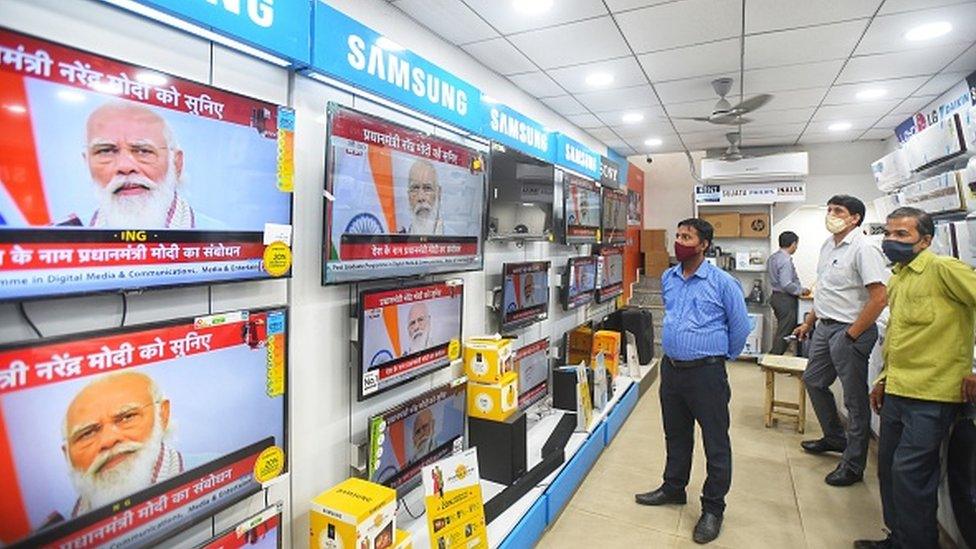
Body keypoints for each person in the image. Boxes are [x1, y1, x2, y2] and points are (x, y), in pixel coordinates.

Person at [854, 208, 976, 549]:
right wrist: (883, 379)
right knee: (889, 472)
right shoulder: (900, 276)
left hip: (933, 395)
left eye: (901, 235)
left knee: (912, 476)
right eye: (889, 234)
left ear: (925, 240)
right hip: (897, 389)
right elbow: (898, 336)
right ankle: (899, 539)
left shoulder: (943, 269)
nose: (891, 240)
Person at [634, 218, 750, 545]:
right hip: (671, 370)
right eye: (678, 235)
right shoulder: (669, 277)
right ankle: (673, 488)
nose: (680, 241)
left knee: (715, 441)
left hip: (706, 373)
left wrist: (717, 358)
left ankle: (713, 508)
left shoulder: (722, 282)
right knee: (676, 434)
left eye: (687, 237)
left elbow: (740, 327)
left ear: (703, 245)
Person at [793, 195, 889, 487]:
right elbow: (824, 289)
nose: (831, 214)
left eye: (838, 211)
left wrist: (852, 334)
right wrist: (809, 322)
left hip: (850, 329)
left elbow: (879, 297)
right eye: (830, 209)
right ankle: (835, 437)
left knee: (854, 399)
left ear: (855, 218)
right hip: (825, 325)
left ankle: (853, 464)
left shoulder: (864, 248)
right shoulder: (828, 246)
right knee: (813, 380)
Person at [61, 372, 184, 516]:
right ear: (67, 455)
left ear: (163, 415)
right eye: (87, 434)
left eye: (127, 417)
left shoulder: (210, 472)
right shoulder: (63, 529)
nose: (108, 440)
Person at [84, 102, 196, 229]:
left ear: (176, 163)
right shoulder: (69, 232)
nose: (125, 167)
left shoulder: (218, 234)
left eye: (143, 151)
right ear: (87, 162)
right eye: (106, 151)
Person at [767, 231, 809, 355]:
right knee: (785, 332)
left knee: (782, 330)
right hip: (785, 299)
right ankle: (772, 360)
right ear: (794, 244)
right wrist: (801, 290)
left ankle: (773, 358)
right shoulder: (785, 260)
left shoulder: (773, 258)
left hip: (776, 297)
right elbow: (786, 284)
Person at [404, 158, 443, 235]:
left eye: (427, 188)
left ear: (438, 193)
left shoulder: (456, 241)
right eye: (415, 188)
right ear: (408, 196)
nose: (421, 197)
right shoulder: (397, 241)